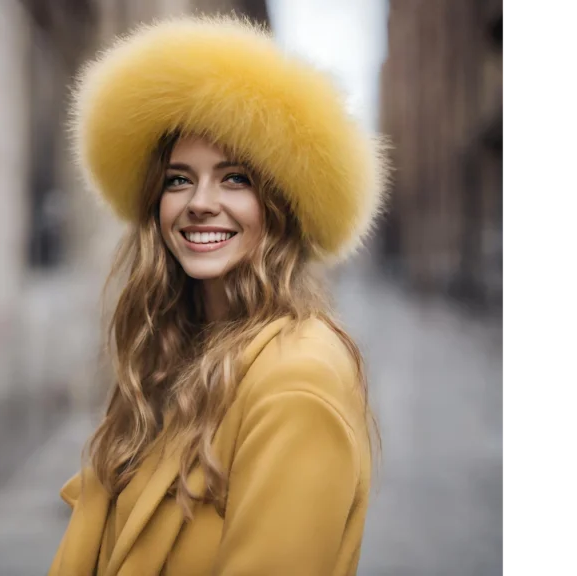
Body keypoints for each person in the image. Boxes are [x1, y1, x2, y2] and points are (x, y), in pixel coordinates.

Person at [49, 13, 390, 576]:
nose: (199, 202)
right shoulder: (173, 359)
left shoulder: (295, 380)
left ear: (280, 208)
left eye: (235, 178)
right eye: (179, 178)